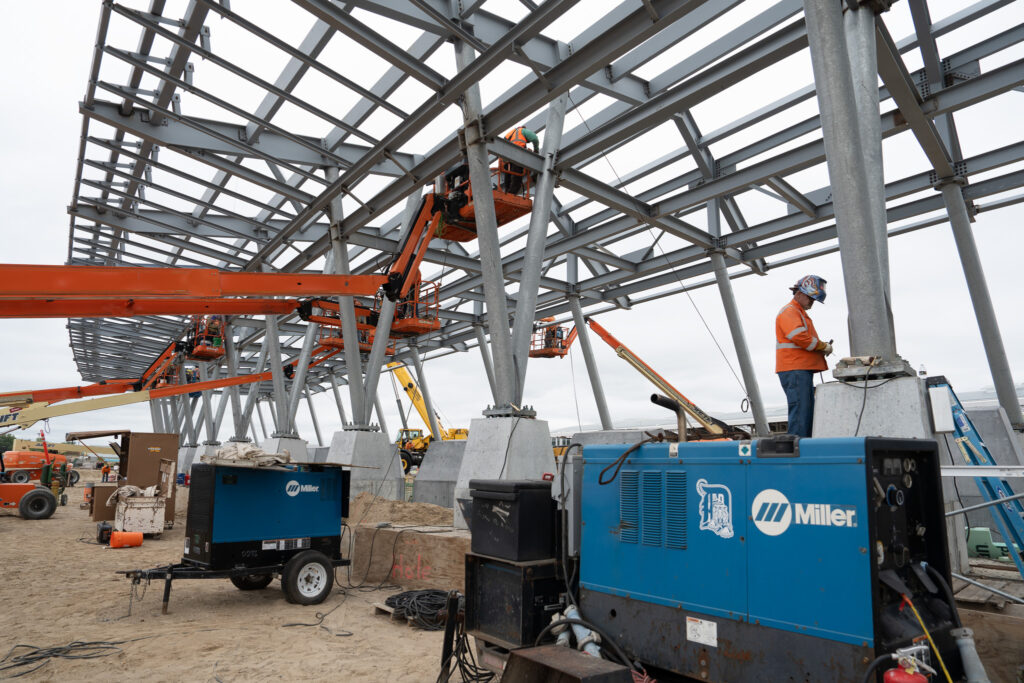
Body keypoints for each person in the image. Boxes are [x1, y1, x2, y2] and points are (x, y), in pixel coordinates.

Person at [775, 275, 833, 438]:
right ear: (799, 293)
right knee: (801, 411)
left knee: (805, 410)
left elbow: (802, 339)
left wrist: (820, 347)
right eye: (810, 299)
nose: (812, 303)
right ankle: (798, 450)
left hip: (798, 369)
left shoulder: (797, 312)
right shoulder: (790, 311)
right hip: (794, 369)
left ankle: (802, 447)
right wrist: (822, 346)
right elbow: (800, 338)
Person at [501, 126, 539, 195]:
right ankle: (512, 194)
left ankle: (506, 192)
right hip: (517, 155)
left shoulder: (511, 132)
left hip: (508, 157)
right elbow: (534, 138)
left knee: (508, 175)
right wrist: (536, 151)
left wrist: (504, 160)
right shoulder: (523, 130)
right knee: (517, 177)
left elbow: (502, 144)